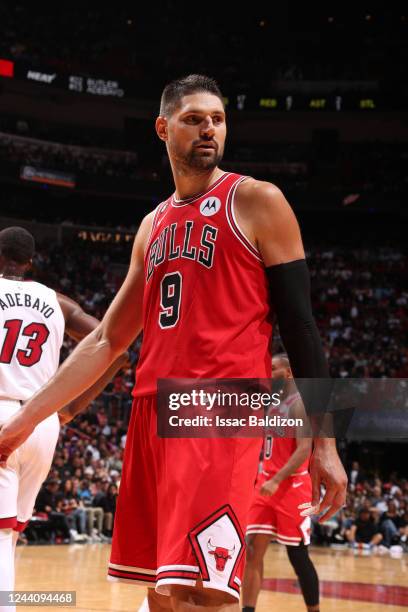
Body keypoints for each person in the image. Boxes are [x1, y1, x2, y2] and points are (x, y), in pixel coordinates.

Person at [0, 76, 347, 611]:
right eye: (194, 118)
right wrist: (19, 426)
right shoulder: (152, 224)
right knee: (160, 590)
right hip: (150, 410)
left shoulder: (256, 200)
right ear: (162, 128)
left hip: (219, 406)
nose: (209, 128)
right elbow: (104, 340)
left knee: (202, 593)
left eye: (218, 118)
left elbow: (301, 327)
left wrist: (324, 445)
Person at [0, 226, 126, 612]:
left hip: (4, 414)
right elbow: (116, 351)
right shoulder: (58, 302)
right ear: (31, 263)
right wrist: (69, 408)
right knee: (10, 534)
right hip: (42, 420)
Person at [242, 354, 319, 612]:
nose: (268, 370)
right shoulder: (275, 404)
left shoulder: (299, 405)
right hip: (266, 486)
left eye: (272, 368)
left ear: (287, 373)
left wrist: (276, 479)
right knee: (252, 551)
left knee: (297, 557)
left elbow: (303, 449)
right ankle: (248, 610)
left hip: (292, 488)